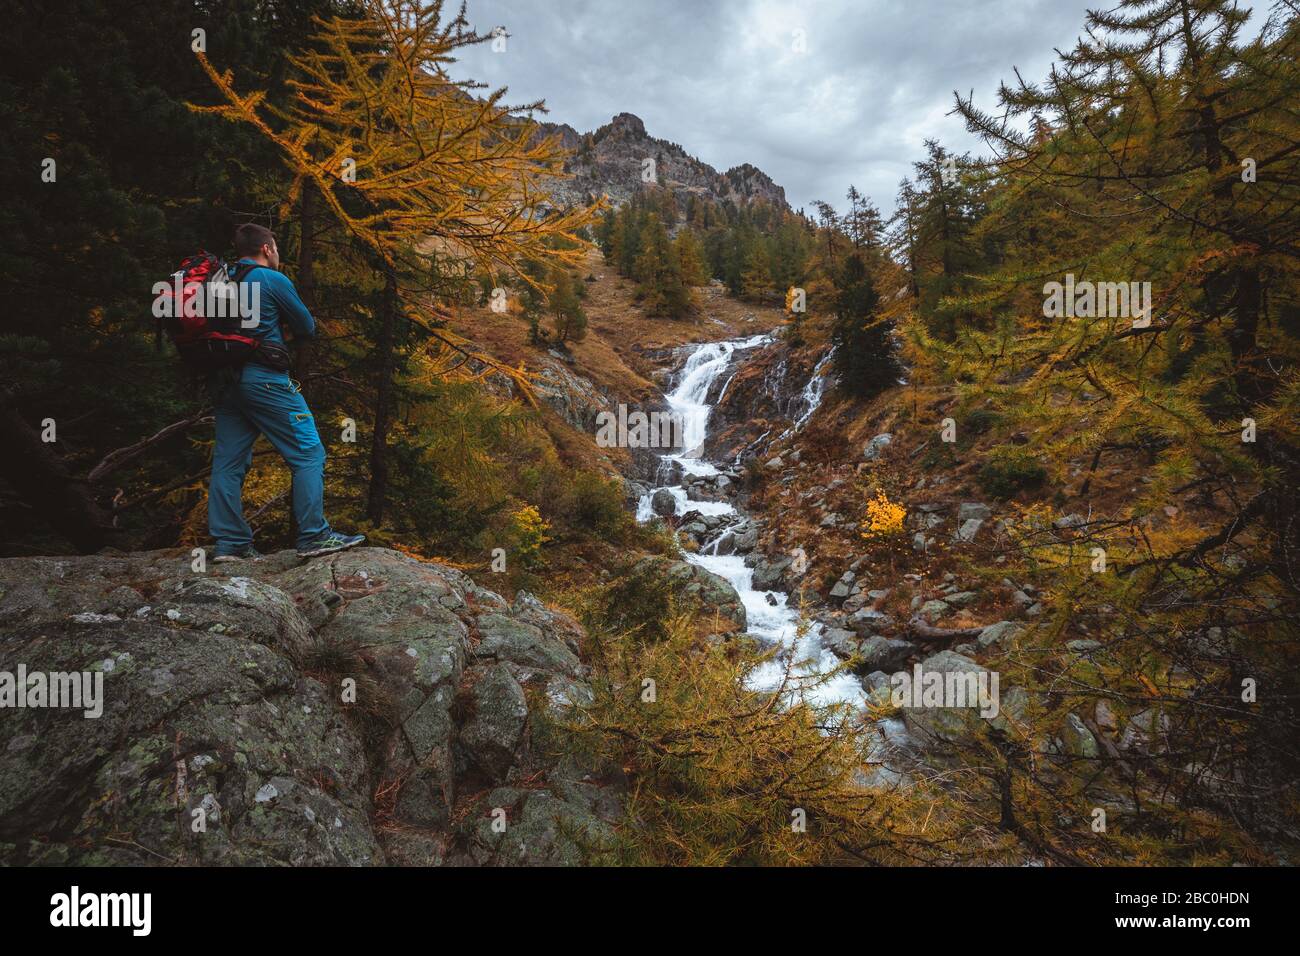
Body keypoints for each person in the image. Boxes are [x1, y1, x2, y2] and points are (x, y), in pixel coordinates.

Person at [208, 223, 364, 562]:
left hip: (225, 383)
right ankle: (314, 535)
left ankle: (230, 544)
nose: (277, 253)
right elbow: (307, 326)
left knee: (228, 462)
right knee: (308, 453)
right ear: (267, 249)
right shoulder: (270, 279)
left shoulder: (222, 278)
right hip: (265, 380)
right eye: (275, 248)